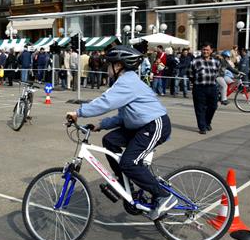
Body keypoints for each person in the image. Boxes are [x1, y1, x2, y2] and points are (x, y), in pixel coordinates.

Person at [66, 46, 175, 221]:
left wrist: (79, 112)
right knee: (110, 140)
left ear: (118, 66)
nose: (106, 68)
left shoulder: (127, 82)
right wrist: (100, 125)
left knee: (129, 162)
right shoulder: (125, 82)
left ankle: (163, 195)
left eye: (109, 65)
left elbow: (105, 102)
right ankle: (125, 183)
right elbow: (124, 117)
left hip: (155, 125)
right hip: (141, 126)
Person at [188, 43, 220, 134]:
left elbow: (218, 73)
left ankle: (207, 122)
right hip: (199, 88)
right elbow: (190, 74)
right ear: (201, 51)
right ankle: (202, 127)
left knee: (213, 106)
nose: (205, 51)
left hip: (212, 87)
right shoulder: (195, 61)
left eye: (207, 50)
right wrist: (196, 82)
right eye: (203, 50)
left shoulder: (216, 61)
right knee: (200, 108)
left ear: (211, 51)